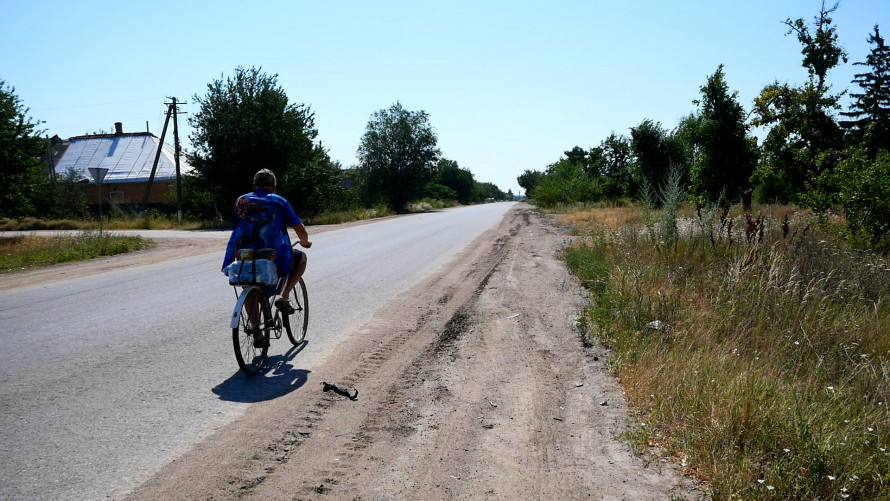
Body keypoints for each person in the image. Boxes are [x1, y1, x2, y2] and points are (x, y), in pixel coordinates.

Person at [222, 169, 312, 316]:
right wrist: (304, 241)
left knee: (249, 289)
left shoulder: (240, 201)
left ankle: (257, 334)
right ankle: (283, 296)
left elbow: (237, 227)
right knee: (301, 259)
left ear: (254, 186)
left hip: (244, 254)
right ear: (274, 186)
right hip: (272, 254)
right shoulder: (278, 201)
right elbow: (299, 228)